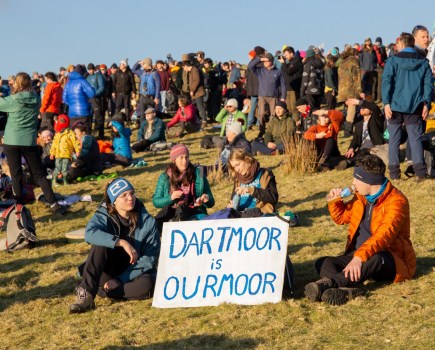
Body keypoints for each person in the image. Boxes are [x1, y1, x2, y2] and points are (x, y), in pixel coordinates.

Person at [304, 154, 416, 305]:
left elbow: (384, 236)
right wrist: (334, 202)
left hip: (388, 259)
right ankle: (346, 291)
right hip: (358, 255)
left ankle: (328, 285)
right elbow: (342, 218)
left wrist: (359, 258)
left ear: (369, 181)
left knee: (376, 257)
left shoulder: (396, 201)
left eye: (357, 179)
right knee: (323, 262)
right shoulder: (362, 197)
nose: (353, 183)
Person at [69, 177, 160, 313]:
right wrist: (120, 242)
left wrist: (120, 280)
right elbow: (90, 234)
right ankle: (86, 295)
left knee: (148, 286)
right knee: (100, 243)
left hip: (133, 273)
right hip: (107, 269)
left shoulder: (147, 221)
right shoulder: (104, 214)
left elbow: (150, 258)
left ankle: (104, 292)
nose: (130, 198)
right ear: (114, 201)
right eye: (124, 195)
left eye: (132, 193)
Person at [0, 72, 66, 214]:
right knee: (39, 173)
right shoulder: (36, 99)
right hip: (29, 141)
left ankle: (19, 207)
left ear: (16, 83)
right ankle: (53, 203)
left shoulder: (13, 100)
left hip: (11, 140)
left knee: (16, 174)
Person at [382, 32, 433, 181]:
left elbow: (387, 82)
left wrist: (386, 103)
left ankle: (394, 173)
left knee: (394, 139)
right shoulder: (423, 62)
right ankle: (420, 173)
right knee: (415, 138)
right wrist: (426, 103)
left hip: (394, 105)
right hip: (415, 105)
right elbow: (428, 85)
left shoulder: (392, 61)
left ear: (402, 44)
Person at [153, 144, 215, 231]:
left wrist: (207, 199)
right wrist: (171, 198)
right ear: (174, 160)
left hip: (195, 210)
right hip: (172, 212)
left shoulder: (199, 173)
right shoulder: (164, 176)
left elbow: (212, 202)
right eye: (181, 158)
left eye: (186, 157)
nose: (184, 161)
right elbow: (156, 201)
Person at [227, 148, 278, 218]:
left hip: (259, 214)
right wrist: (231, 206)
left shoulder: (265, 174)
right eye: (234, 167)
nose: (236, 169)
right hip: (240, 215)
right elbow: (233, 200)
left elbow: (273, 197)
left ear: (246, 159)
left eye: (237, 164)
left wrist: (251, 190)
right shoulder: (237, 179)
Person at [336, 100, 386, 170]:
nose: (362, 108)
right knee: (346, 156)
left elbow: (375, 107)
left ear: (371, 111)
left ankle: (349, 162)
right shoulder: (359, 124)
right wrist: (351, 148)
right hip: (362, 149)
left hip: (374, 148)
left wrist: (358, 102)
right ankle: (328, 165)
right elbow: (355, 139)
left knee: (363, 153)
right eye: (361, 107)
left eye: (365, 107)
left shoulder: (376, 120)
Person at [248, 52, 286, 138]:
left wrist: (283, 97)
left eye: (266, 61)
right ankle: (261, 132)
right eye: (264, 61)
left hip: (274, 97)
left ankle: (272, 132)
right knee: (261, 114)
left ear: (271, 61)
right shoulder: (260, 70)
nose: (264, 63)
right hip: (262, 96)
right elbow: (250, 66)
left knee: (273, 115)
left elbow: (283, 85)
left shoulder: (278, 71)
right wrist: (260, 59)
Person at [337, 46, 363, 137]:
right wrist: (360, 91)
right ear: (355, 54)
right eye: (358, 55)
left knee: (347, 111)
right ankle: (347, 131)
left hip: (342, 90)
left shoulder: (342, 63)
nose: (358, 57)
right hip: (351, 90)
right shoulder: (354, 62)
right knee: (352, 110)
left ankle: (347, 128)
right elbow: (357, 78)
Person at [62, 65, 96, 132]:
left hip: (72, 113)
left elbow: (64, 98)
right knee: (85, 133)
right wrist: (93, 89)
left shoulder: (68, 83)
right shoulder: (82, 81)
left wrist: (72, 104)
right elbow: (92, 93)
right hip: (84, 112)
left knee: (75, 134)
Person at [49, 114, 80, 186]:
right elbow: (54, 144)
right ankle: (54, 181)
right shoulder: (57, 134)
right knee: (58, 168)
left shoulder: (70, 133)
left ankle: (65, 181)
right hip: (58, 154)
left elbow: (75, 142)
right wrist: (52, 153)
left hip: (66, 154)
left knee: (65, 169)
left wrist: (77, 150)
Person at [131, 58, 160, 123]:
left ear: (148, 64)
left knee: (150, 114)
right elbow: (133, 70)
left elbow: (158, 86)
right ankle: (143, 128)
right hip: (143, 97)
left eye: (144, 64)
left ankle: (151, 128)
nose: (143, 65)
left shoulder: (155, 73)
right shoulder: (142, 73)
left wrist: (156, 97)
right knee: (142, 114)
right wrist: (138, 62)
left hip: (151, 97)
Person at [279, 46, 303, 121]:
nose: (285, 57)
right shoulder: (289, 63)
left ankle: (296, 125)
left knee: (294, 108)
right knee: (288, 109)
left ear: (291, 54)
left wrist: (283, 64)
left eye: (286, 55)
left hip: (294, 89)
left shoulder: (297, 61)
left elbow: (289, 72)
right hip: (288, 88)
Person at [86, 63, 106, 139]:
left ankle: (101, 134)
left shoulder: (98, 76)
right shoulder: (88, 77)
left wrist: (95, 94)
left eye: (91, 69)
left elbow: (102, 88)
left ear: (93, 69)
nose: (90, 71)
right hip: (89, 99)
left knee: (99, 117)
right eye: (89, 70)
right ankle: (89, 134)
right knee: (89, 117)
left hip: (96, 98)